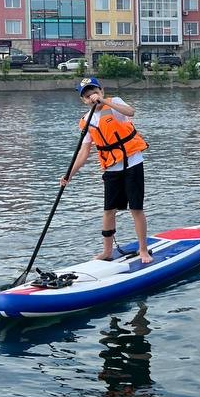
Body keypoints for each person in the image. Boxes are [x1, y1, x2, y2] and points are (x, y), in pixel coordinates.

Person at [61, 76, 153, 264]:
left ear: (101, 91)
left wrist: (102, 102)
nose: (91, 97)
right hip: (111, 168)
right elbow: (84, 152)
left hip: (132, 163)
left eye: (94, 92)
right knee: (108, 211)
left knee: (136, 209)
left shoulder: (114, 103)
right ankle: (107, 251)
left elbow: (131, 112)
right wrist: (68, 175)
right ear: (83, 101)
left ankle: (143, 250)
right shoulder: (87, 121)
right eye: (87, 96)